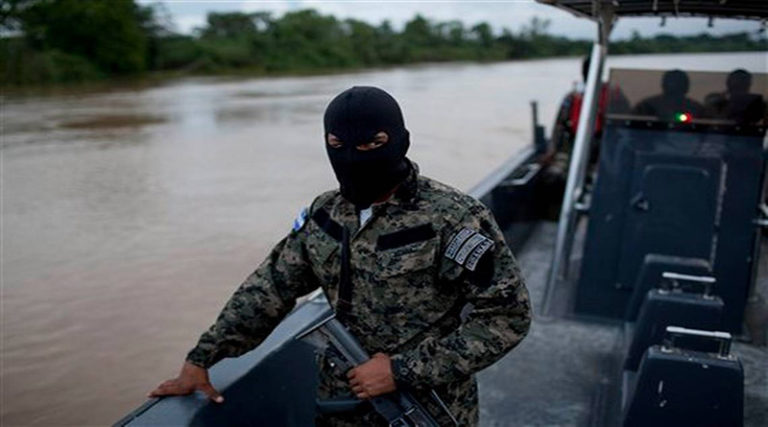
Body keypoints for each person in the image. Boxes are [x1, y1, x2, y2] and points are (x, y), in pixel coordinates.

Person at [148, 86, 532, 426]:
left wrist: (402, 370)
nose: (352, 158)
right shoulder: (325, 214)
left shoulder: (452, 218)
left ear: (401, 141)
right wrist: (201, 358)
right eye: (337, 145)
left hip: (428, 406)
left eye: (371, 145)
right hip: (340, 406)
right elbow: (270, 287)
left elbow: (506, 316)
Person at [632, 69, 704, 121]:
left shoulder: (696, 108)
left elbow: (696, 120)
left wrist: (677, 117)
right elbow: (634, 122)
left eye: (679, 83)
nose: (674, 86)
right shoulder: (646, 106)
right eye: (671, 82)